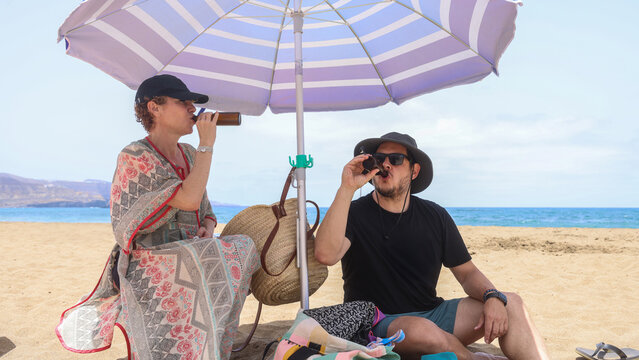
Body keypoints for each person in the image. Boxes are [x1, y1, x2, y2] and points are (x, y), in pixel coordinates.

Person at [56, 74, 259, 360]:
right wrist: (208, 145)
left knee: (243, 246)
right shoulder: (136, 155)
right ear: (155, 108)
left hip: (189, 251)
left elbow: (206, 210)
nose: (192, 108)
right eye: (184, 101)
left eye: (193, 103)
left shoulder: (189, 154)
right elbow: (187, 198)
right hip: (148, 258)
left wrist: (206, 226)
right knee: (201, 259)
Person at [314, 132, 549, 360]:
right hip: (377, 323)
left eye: (395, 160)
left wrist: (492, 296)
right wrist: (346, 189)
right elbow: (326, 254)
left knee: (512, 304)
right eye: (378, 159)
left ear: (414, 171)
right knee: (420, 330)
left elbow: (467, 273)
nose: (385, 165)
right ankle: (473, 358)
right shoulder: (353, 213)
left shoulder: (435, 216)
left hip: (432, 314)